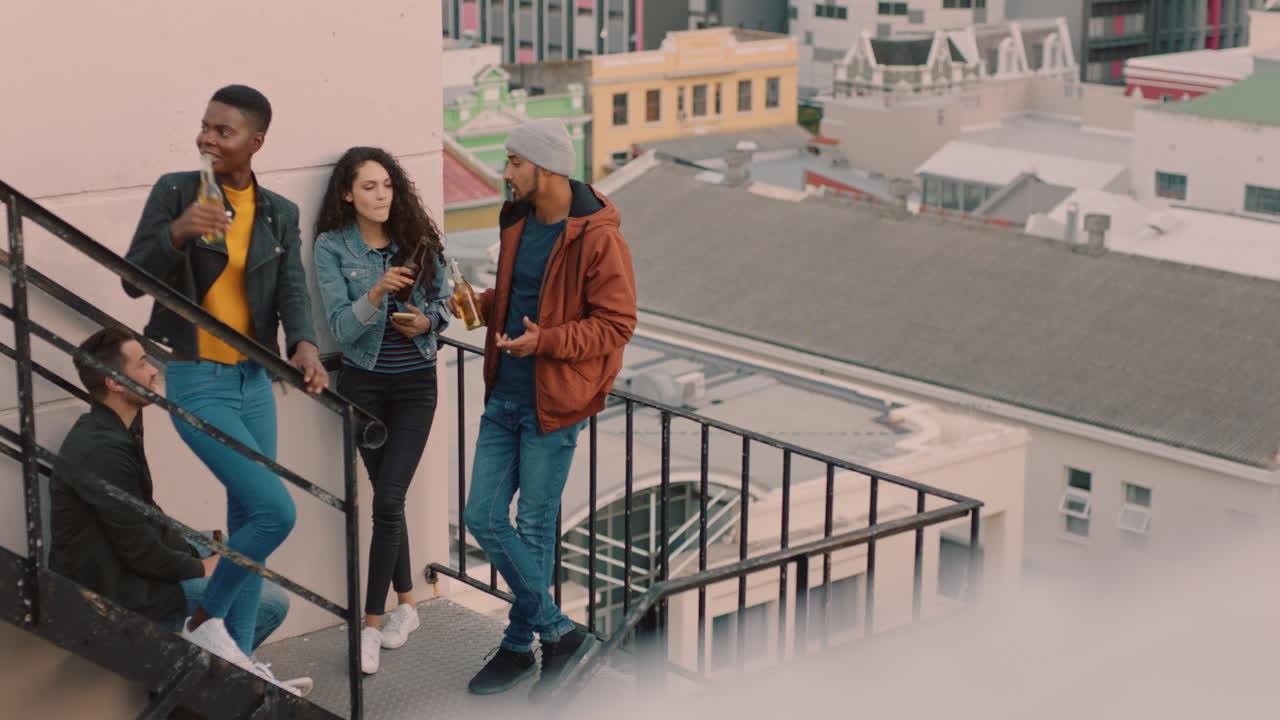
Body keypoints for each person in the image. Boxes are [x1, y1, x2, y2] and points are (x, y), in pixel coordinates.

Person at [121, 85, 327, 678]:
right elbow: (133, 280)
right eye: (205, 127)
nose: (208, 139)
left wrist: (306, 347)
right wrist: (179, 232)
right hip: (195, 378)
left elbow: (291, 292)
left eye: (224, 131)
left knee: (248, 523)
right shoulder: (176, 192)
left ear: (256, 141)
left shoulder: (278, 213)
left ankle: (237, 663)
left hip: (254, 382)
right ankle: (206, 623)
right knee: (275, 514)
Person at [460, 119, 637, 699]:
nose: (505, 173)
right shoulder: (515, 221)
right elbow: (516, 299)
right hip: (504, 393)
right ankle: (558, 635)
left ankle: (518, 647)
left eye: (514, 162)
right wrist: (474, 307)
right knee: (483, 518)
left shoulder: (599, 239)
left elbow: (617, 325)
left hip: (556, 404)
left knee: (534, 525)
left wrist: (547, 342)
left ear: (548, 168)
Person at [49, 326, 310, 696]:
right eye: (142, 364)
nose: (155, 370)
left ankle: (223, 675)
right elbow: (140, 551)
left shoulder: (116, 427)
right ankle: (214, 690)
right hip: (116, 587)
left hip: (133, 562)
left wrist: (207, 553)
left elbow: (146, 516)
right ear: (116, 382)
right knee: (271, 601)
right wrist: (202, 566)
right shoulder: (101, 449)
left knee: (230, 544)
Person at [312, 147, 450, 674]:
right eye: (369, 187)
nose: (382, 195)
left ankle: (370, 627)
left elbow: (443, 306)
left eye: (388, 185)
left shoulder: (418, 241)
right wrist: (375, 292)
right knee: (388, 504)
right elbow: (343, 330)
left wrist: (428, 324)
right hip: (363, 388)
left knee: (389, 500)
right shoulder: (331, 247)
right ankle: (407, 607)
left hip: (416, 386)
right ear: (348, 193)